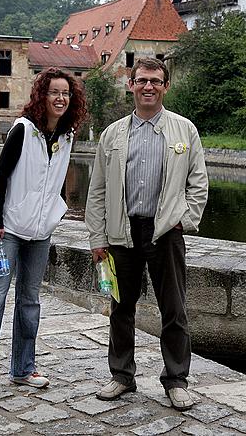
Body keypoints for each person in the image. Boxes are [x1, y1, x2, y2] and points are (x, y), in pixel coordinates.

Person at [85, 57, 208, 411]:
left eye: (155, 81)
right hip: (123, 231)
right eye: (141, 81)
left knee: (174, 308)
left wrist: (184, 220)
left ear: (165, 86)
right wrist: (98, 238)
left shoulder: (185, 130)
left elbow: (198, 182)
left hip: (166, 231)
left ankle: (176, 380)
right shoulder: (112, 134)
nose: (148, 87)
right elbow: (97, 191)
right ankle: (121, 375)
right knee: (121, 307)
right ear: (131, 85)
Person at [0, 67, 87, 394]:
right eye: (53, 92)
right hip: (8, 232)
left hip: (40, 234)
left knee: (29, 301)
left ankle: (23, 369)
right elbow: (0, 176)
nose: (60, 98)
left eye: (65, 93)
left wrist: (52, 215)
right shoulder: (23, 130)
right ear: (41, 96)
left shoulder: (67, 136)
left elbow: (52, 183)